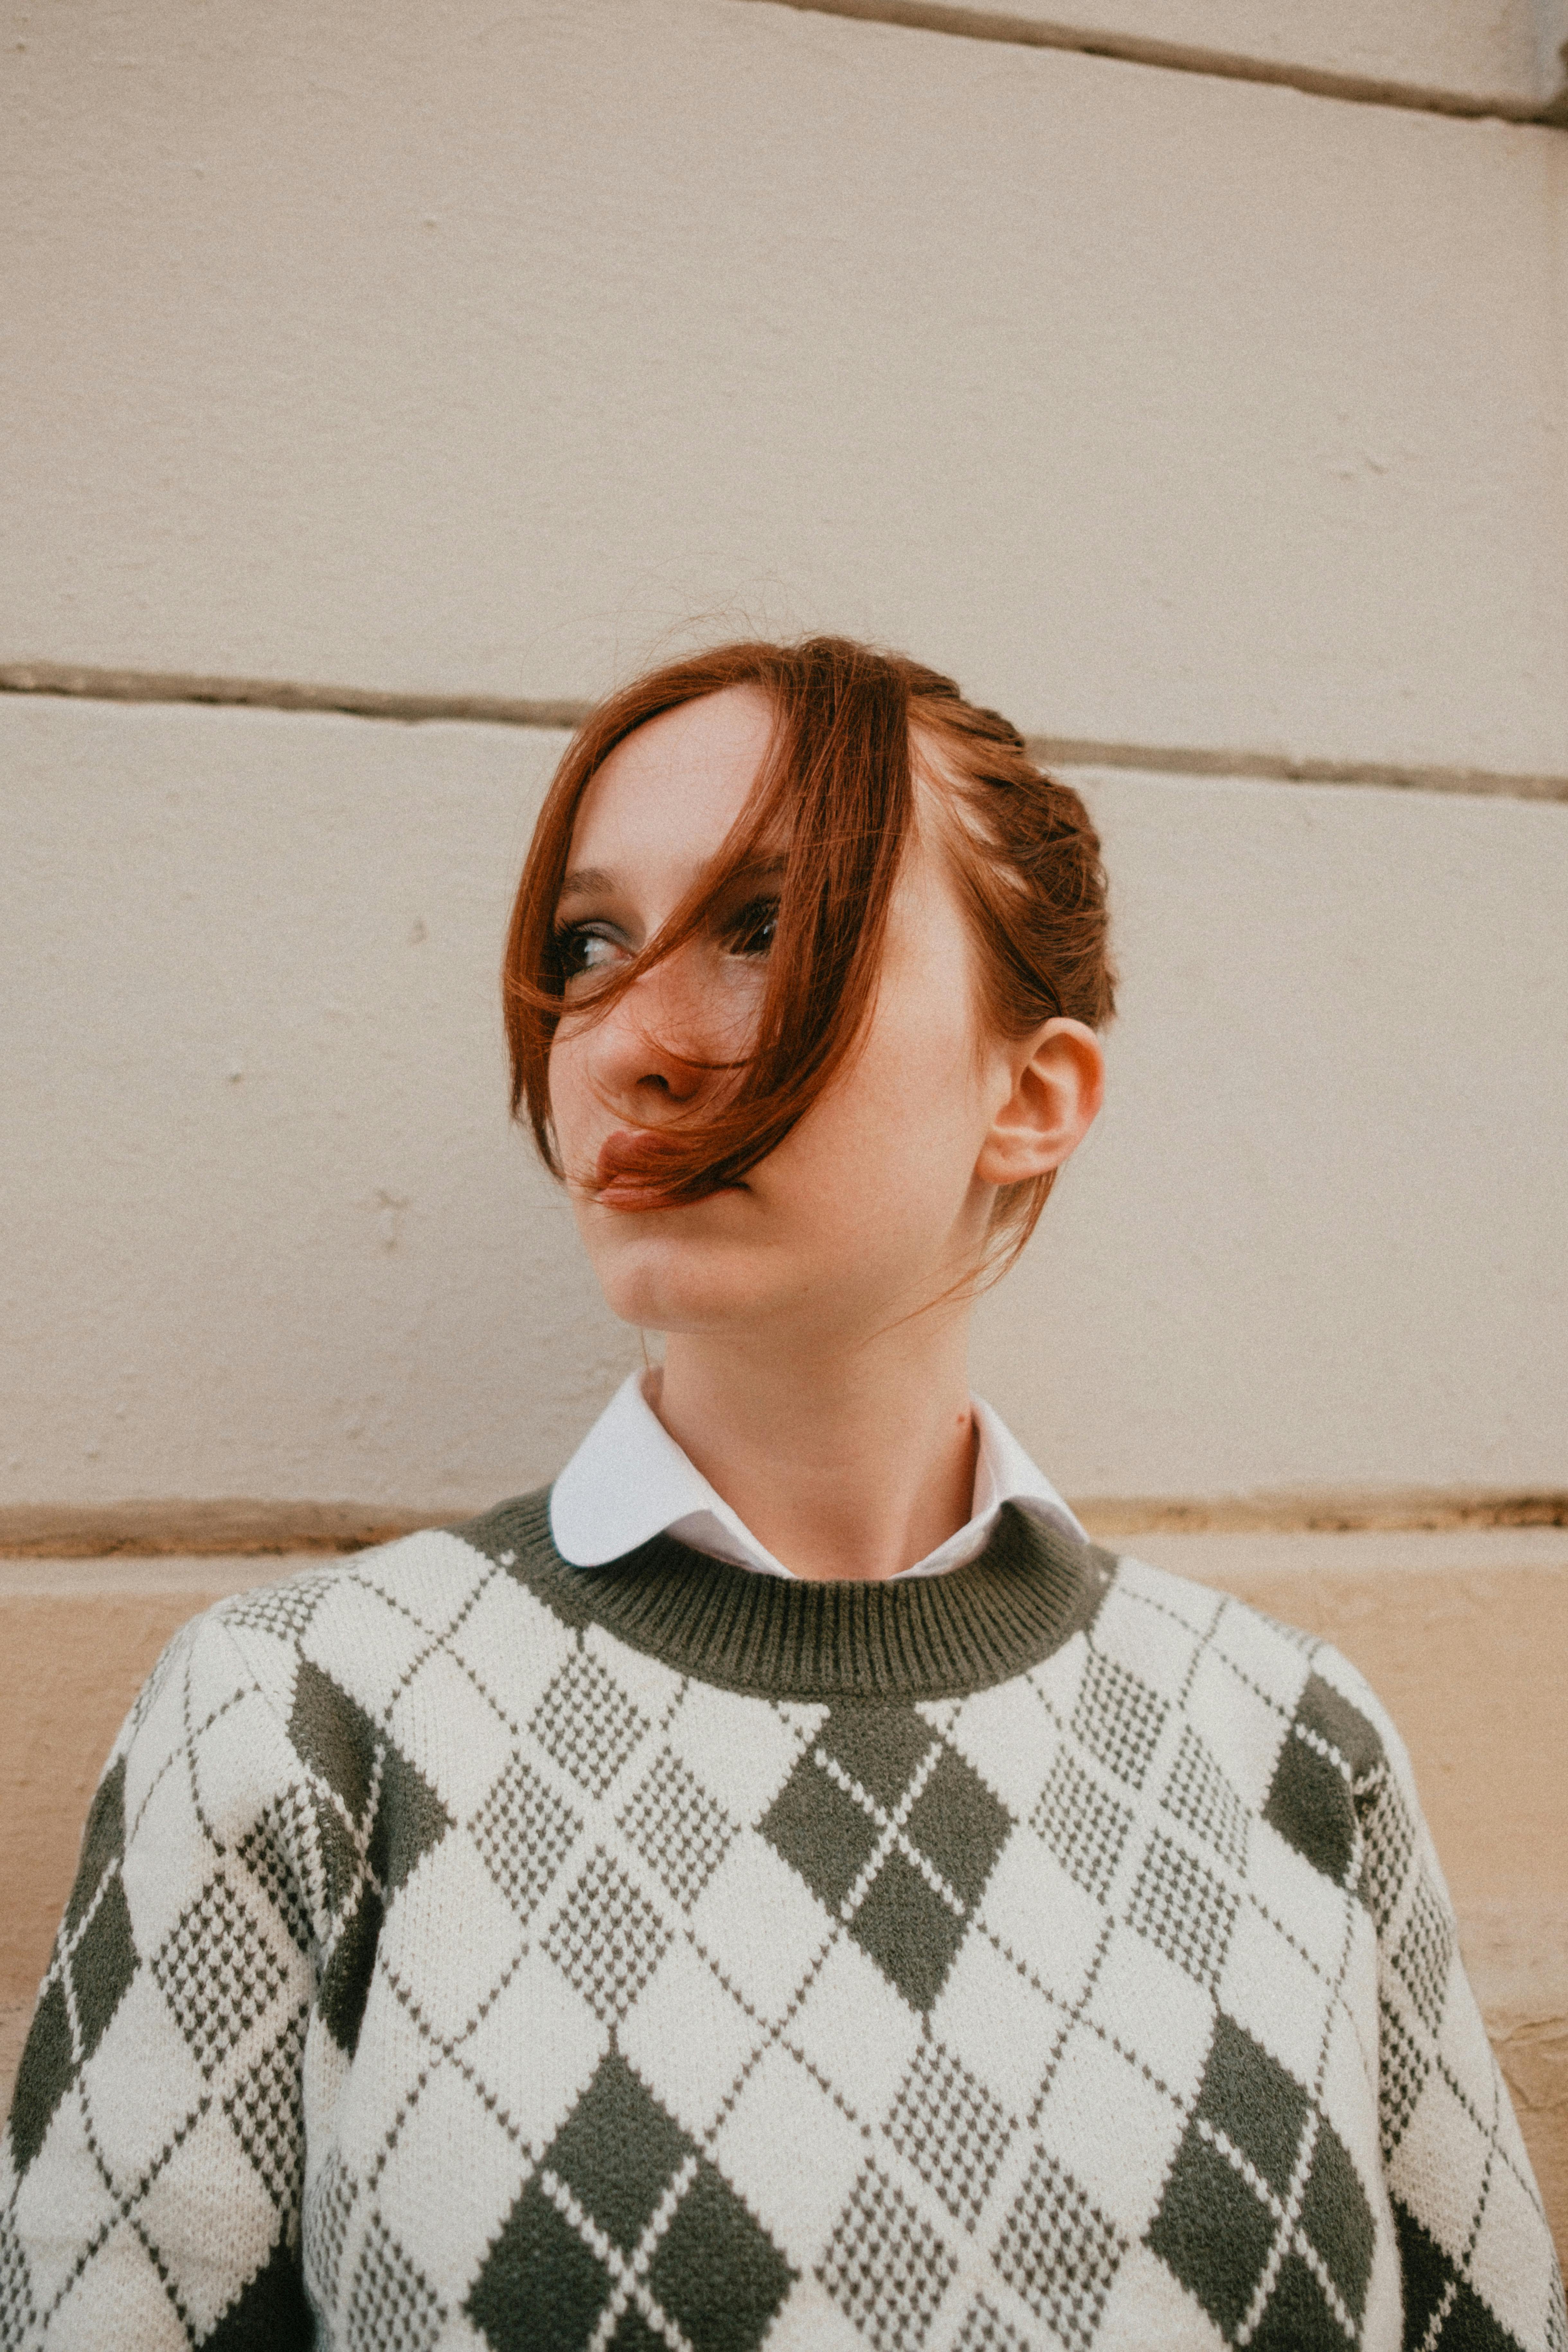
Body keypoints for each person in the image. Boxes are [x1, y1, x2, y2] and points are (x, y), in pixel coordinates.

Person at [2, 637, 1560, 2350]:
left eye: (764, 927)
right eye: (589, 946)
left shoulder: (1288, 1737)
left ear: (1031, 1096)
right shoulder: (301, 1719)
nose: (633, 1048)